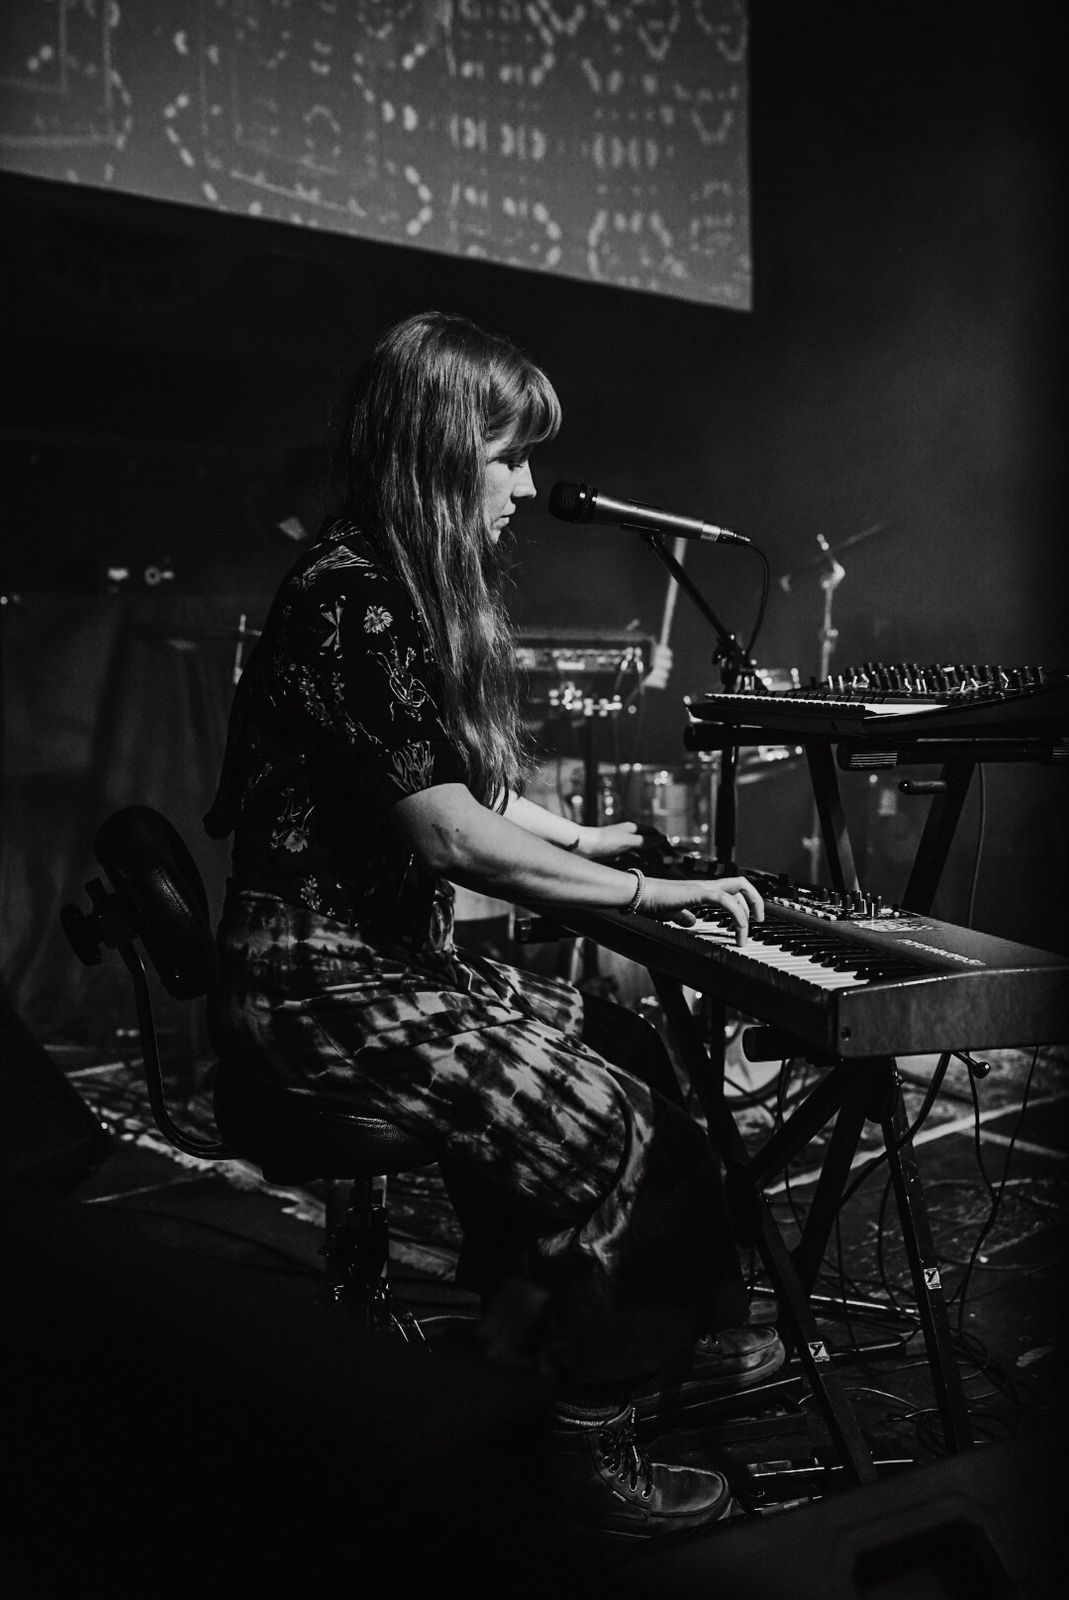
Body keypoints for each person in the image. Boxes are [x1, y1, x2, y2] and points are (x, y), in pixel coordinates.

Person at [204, 310, 784, 1544]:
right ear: (435, 449)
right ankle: (586, 1453)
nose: (523, 487)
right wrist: (649, 898)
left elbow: (451, 784)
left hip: (372, 966)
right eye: (506, 456)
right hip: (319, 987)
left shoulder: (386, 585)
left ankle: (568, 1331)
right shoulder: (352, 599)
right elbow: (453, 837)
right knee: (623, 1137)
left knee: (626, 1047)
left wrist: (590, 841)